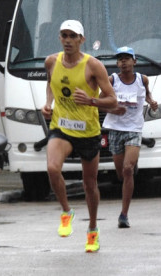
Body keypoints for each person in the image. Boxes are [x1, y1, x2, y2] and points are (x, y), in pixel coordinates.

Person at [41, 19, 117, 252]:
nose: (67, 40)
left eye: (72, 36)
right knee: (53, 168)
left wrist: (91, 100)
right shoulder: (51, 61)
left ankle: (92, 229)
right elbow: (51, 83)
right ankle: (66, 212)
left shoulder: (93, 66)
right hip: (61, 127)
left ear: (81, 40)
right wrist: (48, 103)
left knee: (89, 184)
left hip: (88, 132)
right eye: (64, 35)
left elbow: (112, 100)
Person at [101, 46, 158, 228]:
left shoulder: (143, 79)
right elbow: (99, 103)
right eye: (120, 59)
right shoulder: (112, 80)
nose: (123, 62)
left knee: (127, 169)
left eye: (127, 58)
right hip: (115, 129)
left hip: (134, 129)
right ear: (117, 63)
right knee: (120, 174)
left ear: (134, 61)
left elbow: (147, 95)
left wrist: (152, 102)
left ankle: (124, 214)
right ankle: (131, 169)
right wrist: (113, 109)